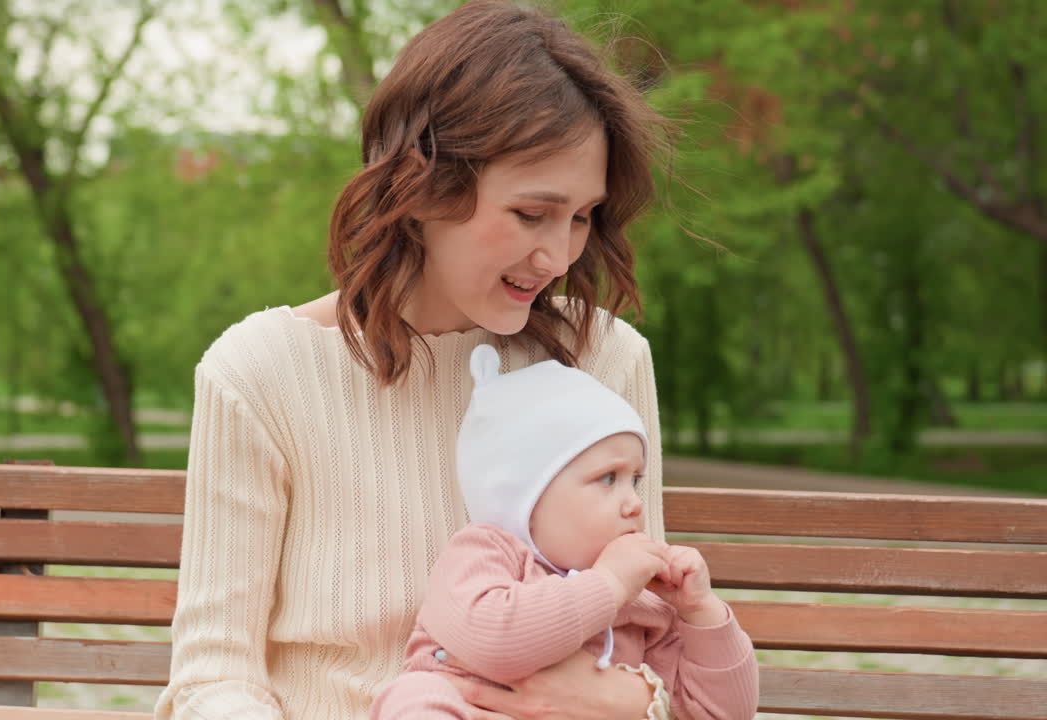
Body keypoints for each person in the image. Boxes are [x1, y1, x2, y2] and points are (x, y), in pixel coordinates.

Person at [154, 1, 679, 717]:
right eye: (532, 213)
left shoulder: (606, 361)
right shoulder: (260, 374)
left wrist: (640, 704)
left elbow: (650, 631)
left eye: (583, 216)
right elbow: (214, 674)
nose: (558, 256)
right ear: (423, 184)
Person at [371, 345, 759, 720]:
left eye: (635, 480)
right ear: (529, 497)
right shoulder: (484, 554)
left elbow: (722, 713)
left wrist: (701, 613)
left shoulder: (644, 602)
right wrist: (606, 584)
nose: (634, 503)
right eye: (609, 478)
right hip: (471, 705)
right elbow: (495, 644)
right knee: (417, 697)